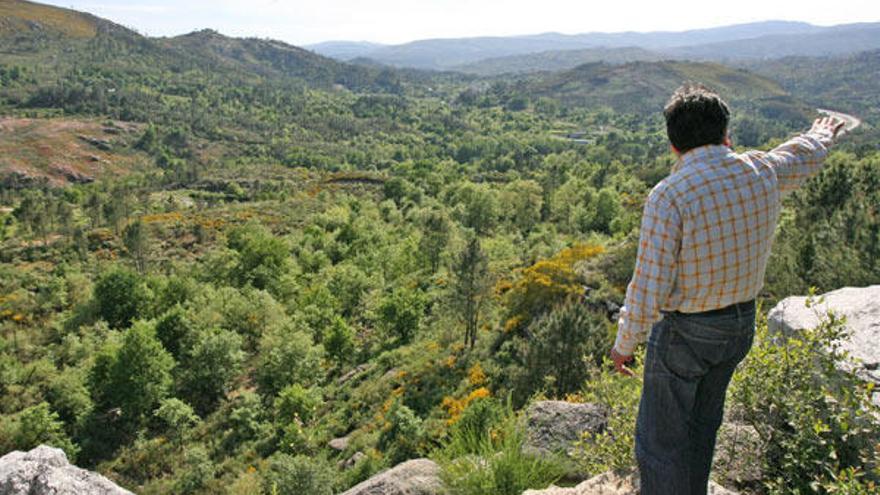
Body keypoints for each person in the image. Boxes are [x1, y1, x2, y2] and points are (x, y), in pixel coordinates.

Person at [609, 83, 847, 495]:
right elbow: (804, 154)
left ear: (673, 145)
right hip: (739, 326)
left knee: (661, 442)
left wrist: (625, 343)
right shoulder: (760, 170)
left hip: (687, 333)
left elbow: (649, 284)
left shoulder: (670, 195)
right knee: (702, 430)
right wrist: (823, 131)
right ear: (725, 135)